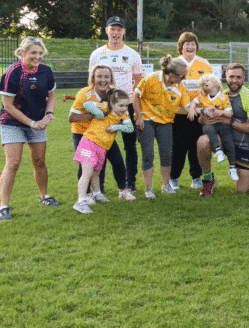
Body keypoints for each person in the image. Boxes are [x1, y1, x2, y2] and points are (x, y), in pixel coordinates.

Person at [0, 37, 60, 220]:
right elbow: (8, 106)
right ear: (22, 52)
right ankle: (3, 207)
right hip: (12, 123)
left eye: (40, 53)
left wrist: (48, 115)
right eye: (33, 53)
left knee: (40, 160)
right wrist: (32, 123)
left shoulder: (46, 70)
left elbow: (52, 96)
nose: (37, 57)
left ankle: (44, 197)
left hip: (38, 122)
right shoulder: (12, 72)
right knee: (13, 163)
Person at [89, 16, 142, 192]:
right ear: (106, 30)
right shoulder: (97, 54)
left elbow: (138, 84)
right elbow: (91, 82)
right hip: (104, 106)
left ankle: (130, 183)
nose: (116, 33)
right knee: (101, 143)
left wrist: (132, 107)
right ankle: (99, 185)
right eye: (113, 29)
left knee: (130, 146)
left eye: (119, 29)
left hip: (126, 106)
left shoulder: (133, 55)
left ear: (124, 32)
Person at [69, 65, 133, 200]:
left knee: (117, 161)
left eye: (106, 77)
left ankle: (122, 191)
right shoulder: (85, 93)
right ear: (93, 78)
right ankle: (86, 195)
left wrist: (117, 125)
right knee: (86, 166)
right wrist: (93, 116)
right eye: (99, 76)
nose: (103, 80)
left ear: (111, 79)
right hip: (84, 134)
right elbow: (72, 118)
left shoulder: (113, 94)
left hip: (104, 135)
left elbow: (122, 115)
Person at [196, 63, 249, 196]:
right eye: (231, 77)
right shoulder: (220, 95)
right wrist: (202, 119)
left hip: (242, 144)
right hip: (223, 141)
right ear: (225, 76)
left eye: (238, 77)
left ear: (244, 78)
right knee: (203, 142)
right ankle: (208, 180)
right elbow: (202, 120)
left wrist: (230, 121)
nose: (235, 80)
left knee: (242, 190)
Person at [133, 55, 190, 199]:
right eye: (182, 76)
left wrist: (200, 111)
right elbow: (135, 95)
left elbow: (188, 106)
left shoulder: (179, 87)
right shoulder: (151, 79)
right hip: (147, 120)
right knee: (148, 154)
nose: (183, 79)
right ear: (171, 74)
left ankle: (166, 185)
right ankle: (148, 188)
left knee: (166, 154)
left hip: (165, 122)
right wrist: (138, 116)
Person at [170, 32, 211, 190]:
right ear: (181, 47)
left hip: (197, 114)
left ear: (196, 46)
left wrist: (195, 107)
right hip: (179, 113)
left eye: (192, 43)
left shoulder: (204, 64)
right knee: (178, 146)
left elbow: (208, 88)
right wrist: (187, 107)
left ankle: (196, 177)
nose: (190, 46)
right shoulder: (174, 64)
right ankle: (174, 178)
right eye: (186, 44)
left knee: (196, 146)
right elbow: (171, 89)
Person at [188, 74, 236, 180]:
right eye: (202, 83)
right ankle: (218, 151)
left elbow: (229, 114)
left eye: (207, 80)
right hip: (209, 124)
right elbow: (193, 102)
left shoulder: (224, 97)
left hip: (222, 125)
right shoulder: (202, 96)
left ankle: (232, 168)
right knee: (207, 129)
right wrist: (192, 109)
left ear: (215, 82)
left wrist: (219, 112)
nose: (204, 83)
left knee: (229, 143)